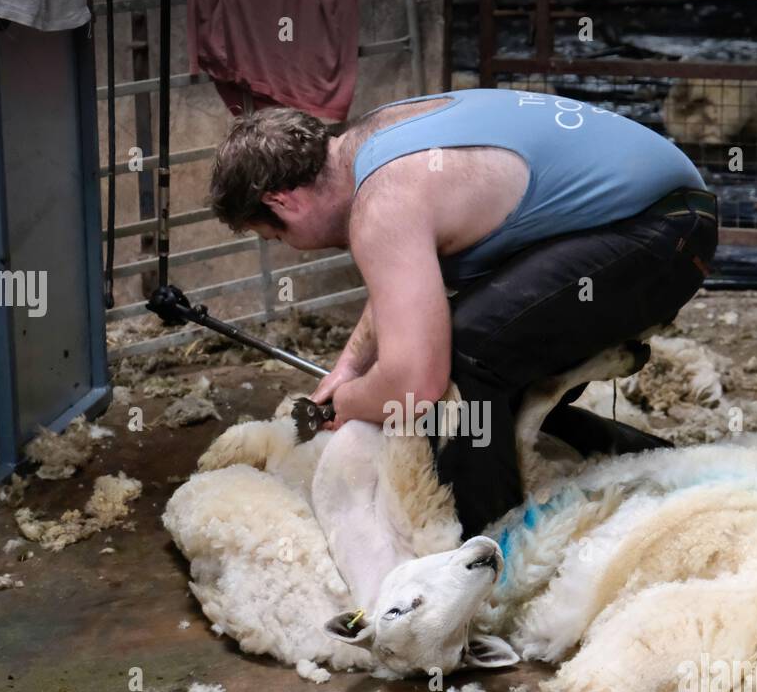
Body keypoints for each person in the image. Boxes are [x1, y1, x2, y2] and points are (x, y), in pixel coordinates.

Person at [208, 88, 717, 537]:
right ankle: (647, 464)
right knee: (495, 361)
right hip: (648, 216)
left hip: (663, 233)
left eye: (277, 235)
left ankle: (493, 558)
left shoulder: (381, 201)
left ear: (283, 201)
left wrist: (348, 403)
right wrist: (349, 368)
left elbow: (416, 382)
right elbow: (404, 279)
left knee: (466, 359)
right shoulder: (371, 141)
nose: (293, 248)